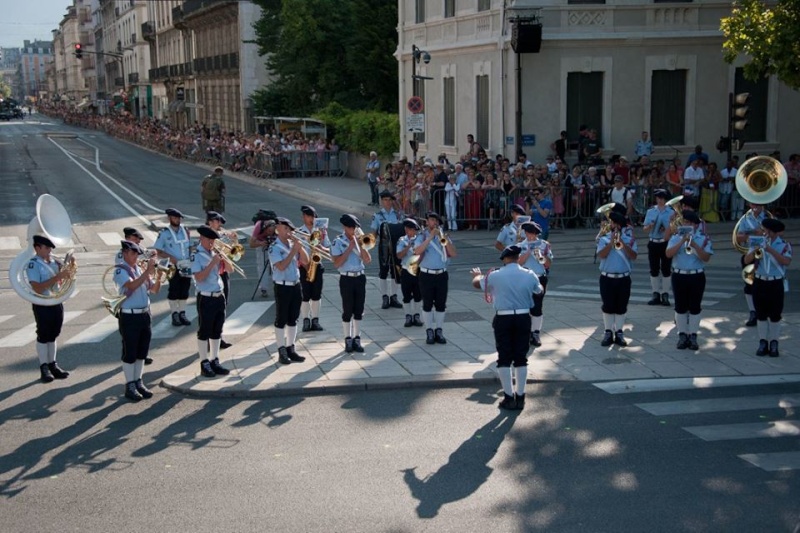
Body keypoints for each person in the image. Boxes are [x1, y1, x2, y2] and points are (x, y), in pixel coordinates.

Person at [470, 245, 543, 410]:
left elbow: (477, 284)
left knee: (504, 357)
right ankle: (521, 396)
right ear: (518, 258)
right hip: (523, 317)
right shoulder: (529, 274)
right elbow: (539, 291)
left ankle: (509, 397)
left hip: (503, 317)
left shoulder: (496, 275)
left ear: (504, 259)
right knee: (521, 357)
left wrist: (477, 275)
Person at [113, 240, 161, 401]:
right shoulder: (120, 270)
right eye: (133, 253)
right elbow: (131, 286)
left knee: (142, 351)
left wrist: (159, 275)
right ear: (125, 253)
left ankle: (139, 381)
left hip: (144, 314)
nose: (135, 257)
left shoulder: (140, 269)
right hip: (129, 315)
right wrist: (147, 271)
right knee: (130, 351)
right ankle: (130, 384)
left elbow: (153, 290)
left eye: (136, 254)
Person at [27, 235, 73, 383]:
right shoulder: (34, 264)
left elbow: (62, 280)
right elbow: (37, 288)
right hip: (42, 303)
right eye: (46, 248)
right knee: (43, 334)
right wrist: (57, 276)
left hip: (56, 301)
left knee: (54, 333)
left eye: (50, 248)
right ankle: (44, 367)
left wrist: (69, 268)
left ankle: (53, 364)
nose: (50, 251)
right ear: (37, 248)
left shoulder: (54, 262)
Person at [665, 211, 713, 351]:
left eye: (690, 223)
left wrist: (694, 244)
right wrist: (682, 241)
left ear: (696, 225)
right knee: (680, 307)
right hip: (679, 275)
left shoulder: (703, 238)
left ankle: (693, 336)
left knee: (695, 307)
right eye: (685, 222)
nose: (687, 225)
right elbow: (668, 254)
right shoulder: (675, 237)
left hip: (696, 275)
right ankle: (682, 335)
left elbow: (706, 258)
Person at [744, 218, 792, 357]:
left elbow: (786, 261)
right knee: (761, 314)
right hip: (760, 281)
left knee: (775, 315)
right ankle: (763, 341)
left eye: (764, 230)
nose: (762, 231)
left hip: (775, 282)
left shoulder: (784, 245)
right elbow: (746, 260)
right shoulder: (757, 242)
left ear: (772, 232)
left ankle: (774, 343)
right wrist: (755, 249)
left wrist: (769, 249)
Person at [191, 225, 233, 377]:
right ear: (202, 239)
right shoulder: (197, 255)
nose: (212, 243)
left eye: (213, 240)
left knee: (217, 331)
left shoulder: (215, 252)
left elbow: (230, 270)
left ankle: (215, 360)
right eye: (210, 240)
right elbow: (199, 277)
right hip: (206, 297)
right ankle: (204, 362)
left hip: (218, 295)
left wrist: (225, 258)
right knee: (204, 331)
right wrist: (212, 263)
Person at [269, 217, 309, 364]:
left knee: (293, 318)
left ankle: (291, 348)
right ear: (278, 229)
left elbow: (305, 261)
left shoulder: (293, 244)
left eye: (289, 229)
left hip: (295, 284)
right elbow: (281, 266)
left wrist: (301, 247)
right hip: (282, 285)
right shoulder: (274, 247)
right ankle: (281, 350)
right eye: (285, 228)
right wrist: (293, 250)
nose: (288, 232)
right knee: (281, 319)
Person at [413, 212, 457, 344]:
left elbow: (454, 253)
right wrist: (430, 237)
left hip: (442, 274)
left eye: (436, 220)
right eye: (432, 220)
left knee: (441, 304)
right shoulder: (421, 236)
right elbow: (417, 251)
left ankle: (439, 330)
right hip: (427, 274)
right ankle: (429, 331)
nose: (434, 223)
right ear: (427, 222)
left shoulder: (443, 236)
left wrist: (445, 240)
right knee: (427, 304)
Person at [331, 214, 372, 353]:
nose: (353, 230)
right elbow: (336, 264)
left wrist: (361, 246)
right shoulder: (338, 242)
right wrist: (349, 248)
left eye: (355, 227)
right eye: (350, 227)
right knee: (348, 309)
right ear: (345, 227)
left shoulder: (360, 241)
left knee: (359, 310)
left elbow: (367, 260)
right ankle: (347, 339)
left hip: (359, 277)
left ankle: (357, 338)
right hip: (346, 278)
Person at [596, 212, 638, 347]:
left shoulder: (629, 239)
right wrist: (611, 242)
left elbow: (633, 256)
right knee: (608, 306)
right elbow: (601, 255)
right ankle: (608, 332)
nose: (613, 226)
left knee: (621, 306)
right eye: (612, 224)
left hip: (623, 278)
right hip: (607, 277)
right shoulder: (604, 239)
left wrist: (622, 243)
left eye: (615, 224)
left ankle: (619, 332)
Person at [154, 208, 193, 326]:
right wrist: (172, 258)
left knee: (185, 289)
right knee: (174, 289)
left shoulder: (185, 231)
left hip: (186, 265)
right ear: (169, 218)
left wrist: (190, 257)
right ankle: (174, 314)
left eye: (178, 218)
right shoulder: (164, 233)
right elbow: (159, 250)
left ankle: (182, 313)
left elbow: (190, 245)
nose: (177, 220)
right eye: (174, 218)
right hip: (173, 266)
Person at [296, 205, 330, 332]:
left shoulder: (321, 232)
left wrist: (322, 248)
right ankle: (305, 319)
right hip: (304, 266)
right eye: (308, 216)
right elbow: (296, 253)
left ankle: (315, 320)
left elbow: (328, 248)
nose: (310, 219)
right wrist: (306, 264)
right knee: (305, 295)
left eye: (312, 216)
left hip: (317, 265)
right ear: (303, 217)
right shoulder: (299, 232)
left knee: (317, 294)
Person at [518, 222, 552, 347]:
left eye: (534, 234)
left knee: (537, 306)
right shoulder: (520, 245)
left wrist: (539, 254)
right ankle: (525, 332)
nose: (531, 236)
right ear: (526, 233)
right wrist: (528, 251)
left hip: (539, 278)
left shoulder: (544, 245)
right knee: (524, 306)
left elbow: (548, 264)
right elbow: (519, 263)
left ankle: (535, 333)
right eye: (529, 233)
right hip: (524, 278)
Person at [206, 211, 235, 349]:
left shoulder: (222, 236)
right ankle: (207, 338)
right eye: (217, 222)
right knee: (210, 309)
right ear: (210, 222)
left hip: (223, 272)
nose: (220, 225)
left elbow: (232, 254)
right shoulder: (205, 236)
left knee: (222, 306)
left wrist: (233, 241)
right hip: (211, 274)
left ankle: (219, 336)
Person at [735, 202, 767, 326]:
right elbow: (738, 237)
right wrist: (753, 234)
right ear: (749, 204)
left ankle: (763, 311)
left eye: (759, 204)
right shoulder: (745, 219)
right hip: (750, 253)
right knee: (749, 285)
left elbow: (779, 234)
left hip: (766, 254)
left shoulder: (768, 218)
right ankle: (753, 312)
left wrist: (764, 233)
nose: (756, 206)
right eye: (754, 203)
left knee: (765, 284)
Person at [642, 189, 675, 306]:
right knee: (654, 269)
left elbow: (675, 229)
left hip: (665, 242)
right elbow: (644, 229)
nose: (660, 200)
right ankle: (655, 293)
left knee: (666, 269)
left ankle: (665, 294)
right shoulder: (651, 211)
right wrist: (650, 226)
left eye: (662, 198)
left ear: (665, 199)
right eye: (658, 198)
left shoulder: (671, 212)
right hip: (653, 241)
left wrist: (668, 228)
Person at [371, 191, 402, 309]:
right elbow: (374, 233)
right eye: (385, 200)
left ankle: (394, 296)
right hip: (384, 246)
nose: (388, 202)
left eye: (389, 200)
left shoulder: (398, 215)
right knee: (383, 271)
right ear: (382, 201)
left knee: (396, 270)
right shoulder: (378, 216)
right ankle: (384, 297)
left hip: (397, 245)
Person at [395, 218, 425, 328]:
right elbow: (398, 255)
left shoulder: (420, 239)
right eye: (411, 229)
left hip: (417, 269)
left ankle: (417, 315)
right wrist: (407, 247)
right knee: (406, 294)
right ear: (406, 229)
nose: (413, 232)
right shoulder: (401, 240)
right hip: (406, 270)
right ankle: (408, 316)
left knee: (418, 294)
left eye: (414, 230)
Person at [250, 211, 277, 298]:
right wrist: (261, 243)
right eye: (268, 231)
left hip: (274, 244)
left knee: (276, 265)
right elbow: (251, 244)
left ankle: (278, 286)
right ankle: (263, 288)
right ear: (265, 228)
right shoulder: (258, 225)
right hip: (260, 244)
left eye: (272, 232)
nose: (270, 233)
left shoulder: (277, 227)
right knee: (262, 266)